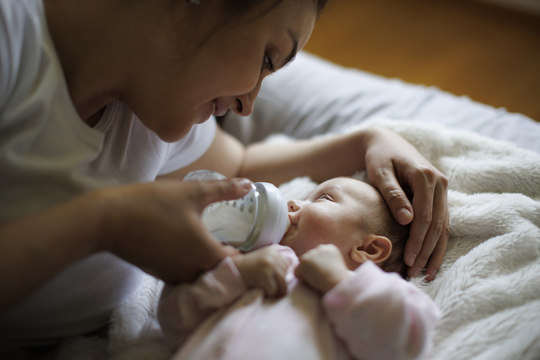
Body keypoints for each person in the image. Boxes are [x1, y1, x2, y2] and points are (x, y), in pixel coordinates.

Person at [0, 0, 448, 350]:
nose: (247, 103)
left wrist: (366, 141)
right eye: (267, 60)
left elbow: (237, 168)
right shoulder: (13, 42)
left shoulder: (154, 100)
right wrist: (106, 222)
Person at [158, 178, 440, 359]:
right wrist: (237, 272)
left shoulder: (374, 297)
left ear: (367, 250)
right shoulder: (250, 266)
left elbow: (406, 346)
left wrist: (340, 282)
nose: (293, 202)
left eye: (323, 199)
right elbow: (174, 320)